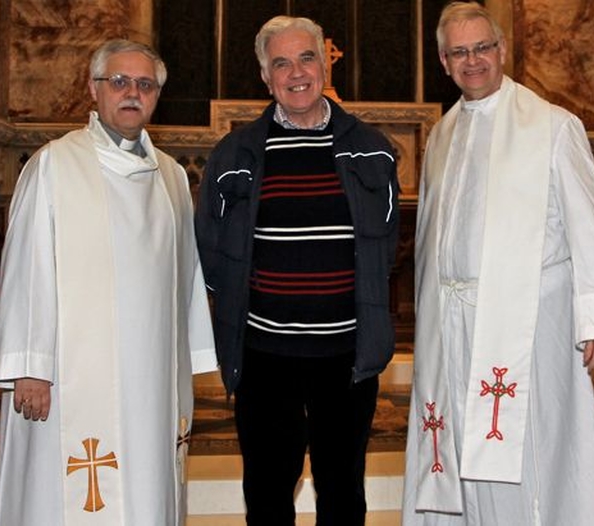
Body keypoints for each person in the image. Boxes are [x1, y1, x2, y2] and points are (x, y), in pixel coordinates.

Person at [402, 2, 594, 525]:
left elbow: (588, 223)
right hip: (453, 326)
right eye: (459, 51)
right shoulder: (443, 133)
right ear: (443, 60)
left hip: (528, 325)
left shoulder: (552, 125)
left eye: (482, 47)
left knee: (530, 449)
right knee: (458, 444)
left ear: (502, 50)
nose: (472, 60)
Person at [0, 39, 217, 526]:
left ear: (157, 96)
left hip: (152, 379)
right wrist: (30, 363)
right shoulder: (55, 164)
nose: (132, 93)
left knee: (145, 490)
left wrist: (190, 358)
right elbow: (27, 266)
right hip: (68, 378)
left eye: (145, 84)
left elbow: (186, 281)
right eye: (119, 81)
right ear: (93, 90)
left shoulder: (173, 178)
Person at [195, 15, 399, 526]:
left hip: (346, 357)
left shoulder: (373, 147)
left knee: (343, 491)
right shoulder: (236, 152)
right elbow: (211, 245)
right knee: (266, 492)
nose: (296, 72)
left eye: (307, 57)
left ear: (326, 63)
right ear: (265, 77)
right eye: (280, 63)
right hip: (266, 355)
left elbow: (387, 246)